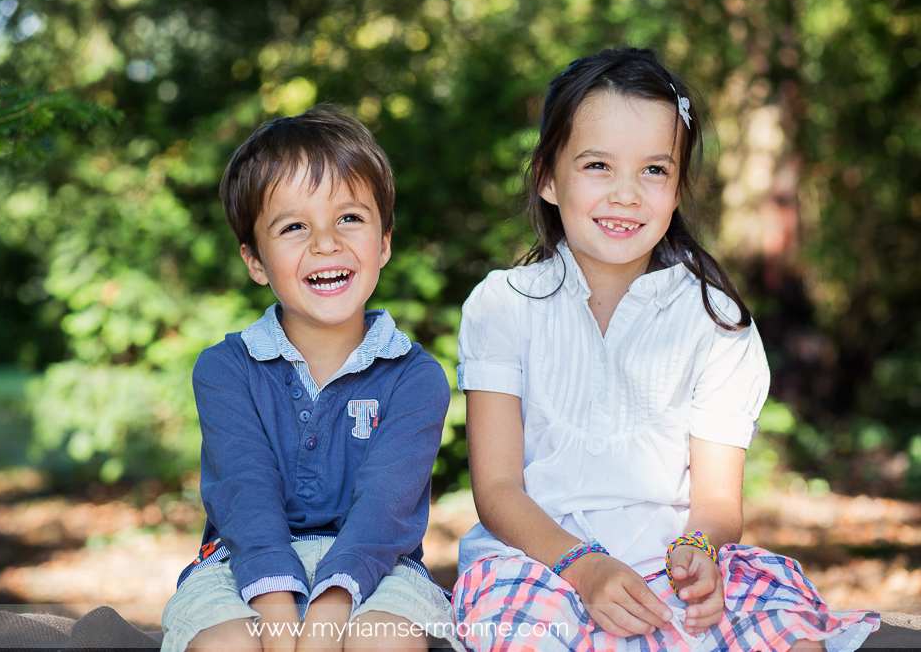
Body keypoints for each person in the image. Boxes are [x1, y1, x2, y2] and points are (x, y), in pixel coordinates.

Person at [451, 47, 880, 652]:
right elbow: (498, 489)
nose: (627, 194)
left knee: (785, 628)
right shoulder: (503, 306)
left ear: (677, 188)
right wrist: (584, 567)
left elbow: (716, 502)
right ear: (547, 177)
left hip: (670, 564)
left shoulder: (717, 322)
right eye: (598, 165)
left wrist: (699, 550)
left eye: (654, 170)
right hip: (540, 562)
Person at [161, 106, 463, 652]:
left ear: (384, 242)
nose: (326, 243)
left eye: (349, 218)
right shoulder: (226, 370)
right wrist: (283, 630)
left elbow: (382, 516)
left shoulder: (416, 378)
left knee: (383, 640)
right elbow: (246, 503)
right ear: (255, 261)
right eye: (294, 226)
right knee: (227, 644)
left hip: (379, 568)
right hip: (241, 564)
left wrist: (324, 623)